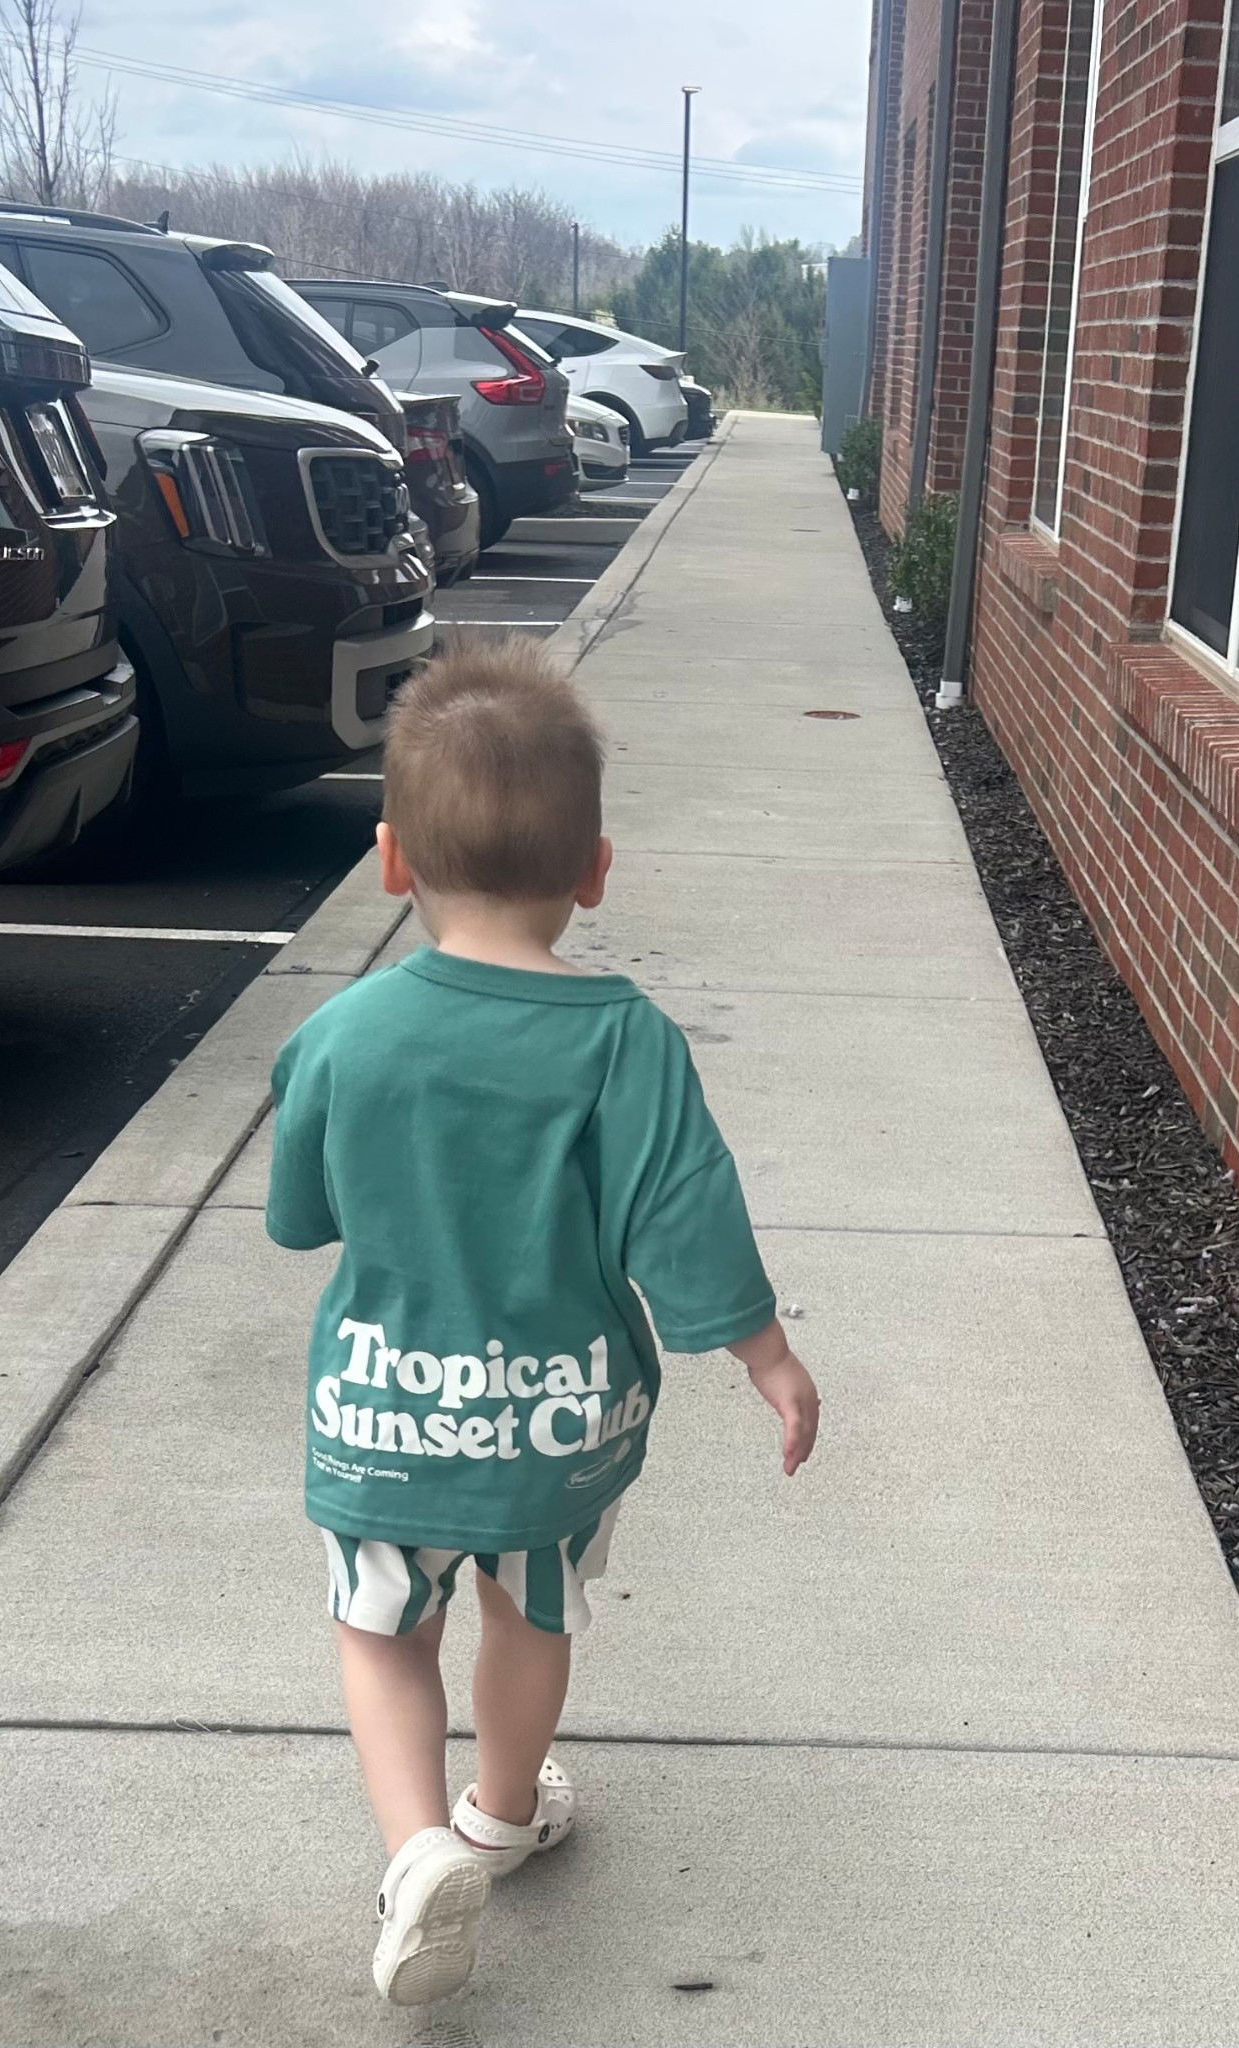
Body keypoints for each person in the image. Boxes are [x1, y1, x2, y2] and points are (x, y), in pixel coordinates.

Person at [265, 636, 821, 2007]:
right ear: (594, 871)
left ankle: (417, 1855)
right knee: (531, 1611)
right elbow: (685, 1212)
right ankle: (502, 1814)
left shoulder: (344, 1038)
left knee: (384, 1635)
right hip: (557, 1423)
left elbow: (302, 1212)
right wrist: (768, 1354)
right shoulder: (625, 1040)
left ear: (393, 861)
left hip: (389, 1412)